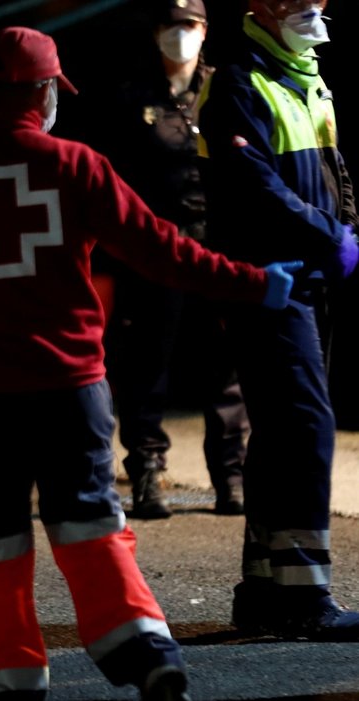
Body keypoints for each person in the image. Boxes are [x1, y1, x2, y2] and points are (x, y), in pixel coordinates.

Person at [0, 25, 300, 701]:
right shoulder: (78, 166)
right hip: (73, 390)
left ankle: (7, 678)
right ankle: (142, 646)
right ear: (43, 92)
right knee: (93, 526)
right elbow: (164, 251)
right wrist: (255, 283)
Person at [195, 0, 359, 639]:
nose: (315, 12)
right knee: (306, 424)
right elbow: (253, 182)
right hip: (268, 281)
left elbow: (332, 170)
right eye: (299, 2)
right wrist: (328, 235)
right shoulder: (239, 81)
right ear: (261, 6)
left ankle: (265, 589)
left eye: (319, 2)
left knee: (283, 428)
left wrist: (346, 229)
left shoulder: (304, 75)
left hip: (307, 279)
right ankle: (304, 596)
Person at [88, 0, 247, 518]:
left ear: (205, 31)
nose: (182, 35)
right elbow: (118, 179)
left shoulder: (226, 89)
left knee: (223, 363)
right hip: (155, 250)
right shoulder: (134, 96)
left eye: (191, 25)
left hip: (215, 243)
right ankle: (148, 473)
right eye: (173, 26)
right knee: (145, 363)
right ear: (158, 32)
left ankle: (230, 476)